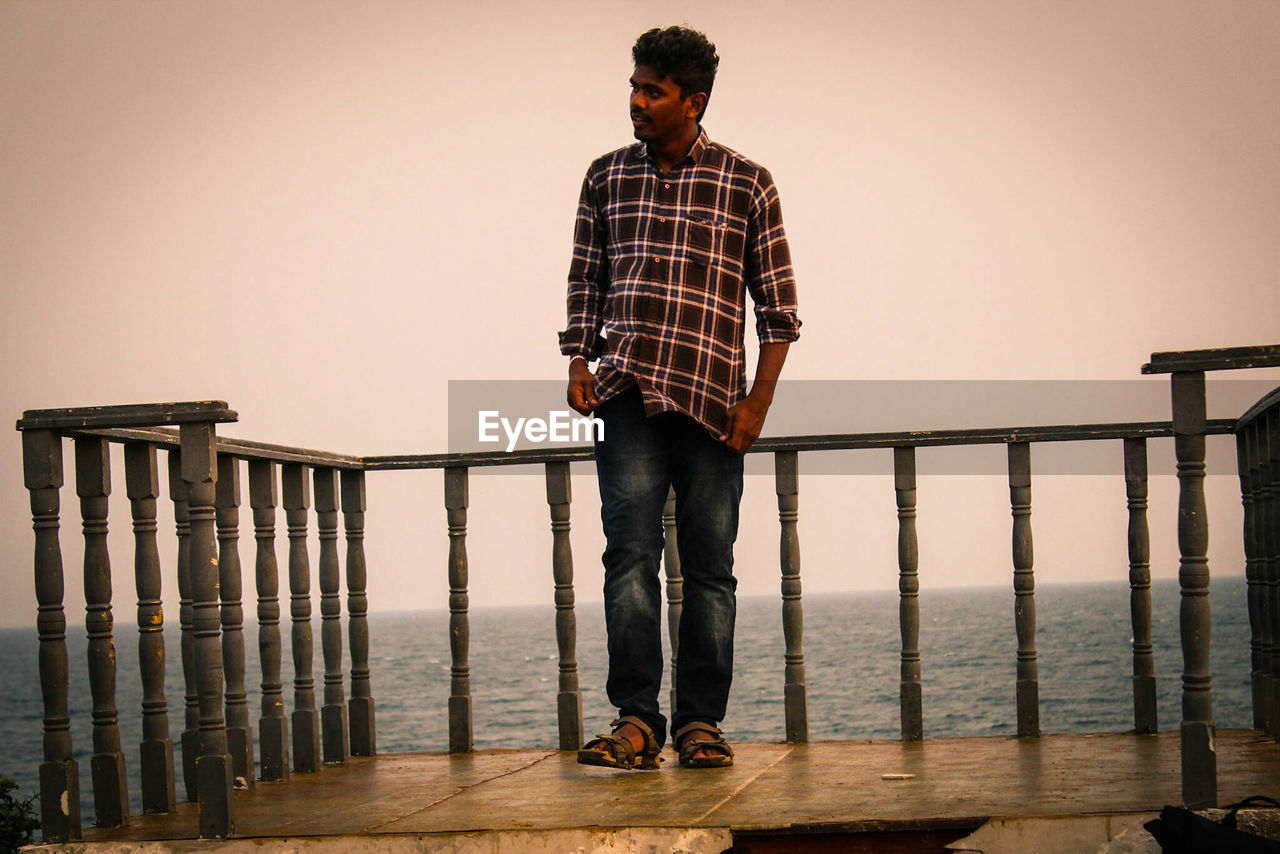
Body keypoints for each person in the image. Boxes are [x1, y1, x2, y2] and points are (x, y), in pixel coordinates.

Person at [559, 25, 800, 770]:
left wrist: (758, 402)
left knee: (709, 568)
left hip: (712, 405)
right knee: (627, 557)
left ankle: (700, 724)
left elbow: (780, 309)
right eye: (633, 86)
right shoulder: (605, 177)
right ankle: (637, 721)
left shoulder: (746, 182)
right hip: (625, 394)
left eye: (652, 90)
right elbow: (584, 278)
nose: (636, 101)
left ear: (692, 102)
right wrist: (575, 359)